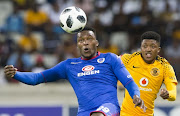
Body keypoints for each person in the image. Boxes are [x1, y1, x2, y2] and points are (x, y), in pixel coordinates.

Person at [4, 27, 146, 116]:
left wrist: (136, 96)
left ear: (96, 42)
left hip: (109, 109)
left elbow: (128, 82)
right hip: (84, 112)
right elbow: (37, 78)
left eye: (89, 39)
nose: (85, 42)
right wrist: (16, 74)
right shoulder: (69, 65)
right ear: (77, 44)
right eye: (81, 40)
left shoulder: (110, 59)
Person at [120, 31, 178, 116]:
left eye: (153, 46)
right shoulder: (128, 59)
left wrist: (168, 95)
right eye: (145, 46)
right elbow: (108, 66)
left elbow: (173, 93)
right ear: (141, 47)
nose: (148, 49)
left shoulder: (165, 67)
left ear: (158, 49)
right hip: (125, 114)